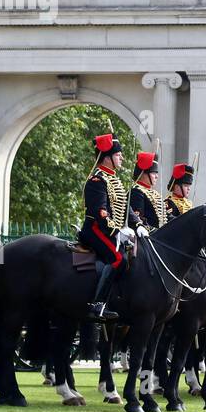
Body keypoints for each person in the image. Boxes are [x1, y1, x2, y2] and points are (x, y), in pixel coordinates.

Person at [79, 133, 130, 322]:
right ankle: (97, 305)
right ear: (107, 157)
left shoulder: (114, 180)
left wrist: (139, 225)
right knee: (118, 259)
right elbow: (100, 213)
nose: (122, 158)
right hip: (95, 230)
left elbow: (125, 208)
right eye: (118, 155)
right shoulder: (97, 180)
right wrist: (117, 231)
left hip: (109, 231)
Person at [129, 152, 168, 230]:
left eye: (156, 173)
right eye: (153, 173)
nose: (156, 176)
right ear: (143, 173)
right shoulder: (136, 192)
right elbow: (138, 218)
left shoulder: (154, 193)